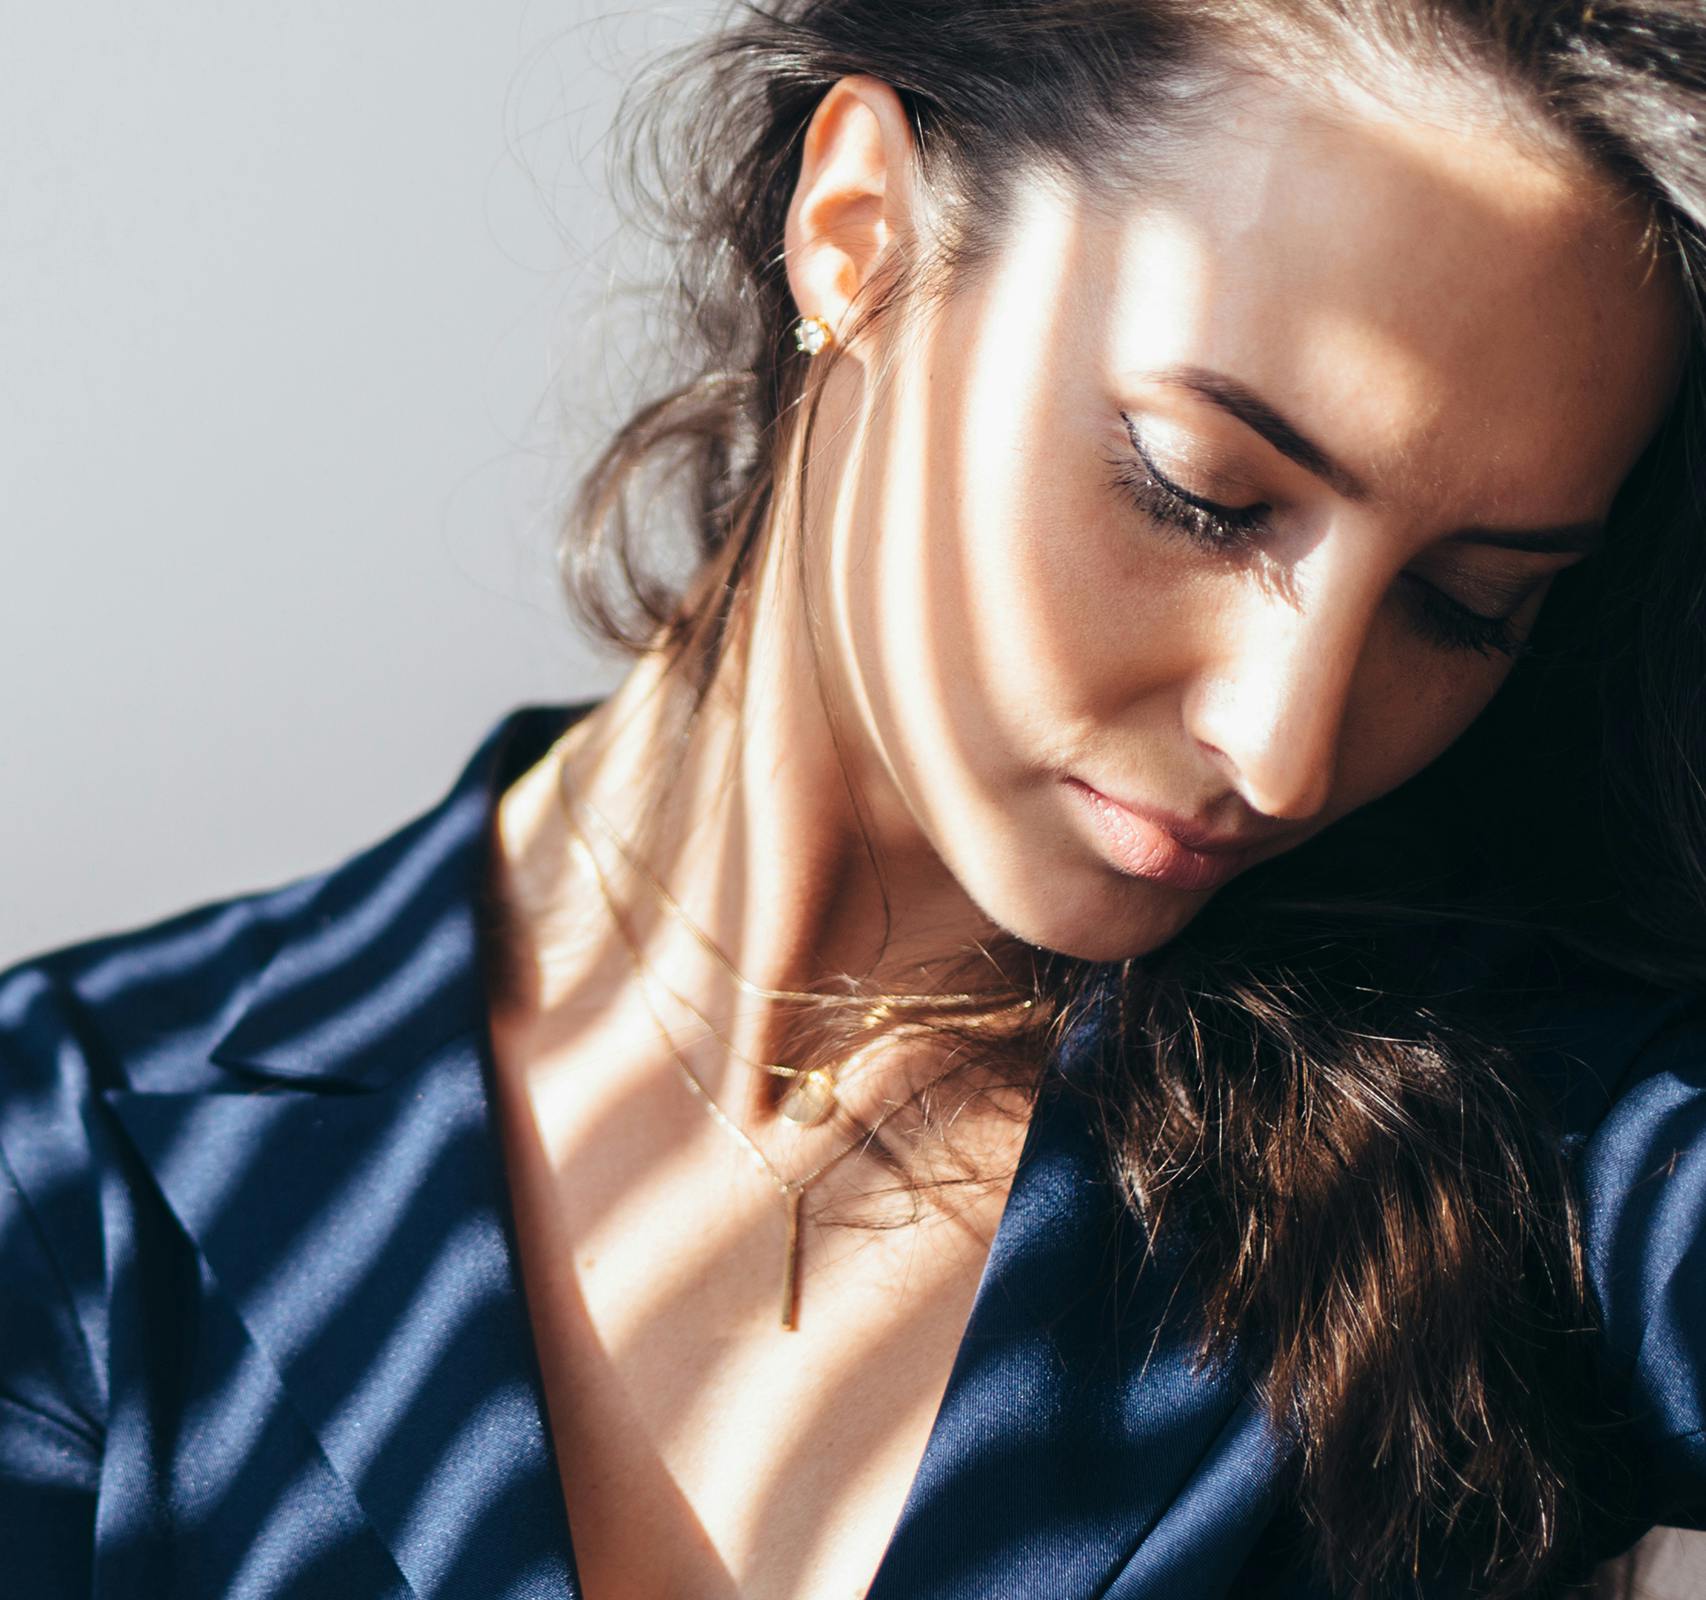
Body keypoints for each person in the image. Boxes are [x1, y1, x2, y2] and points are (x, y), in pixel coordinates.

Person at [5, 1, 1706, 1596]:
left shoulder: (1561, 1133)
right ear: (857, 235)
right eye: (1199, 495)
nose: (1286, 751)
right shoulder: (73, 1149)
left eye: (1466, 605)